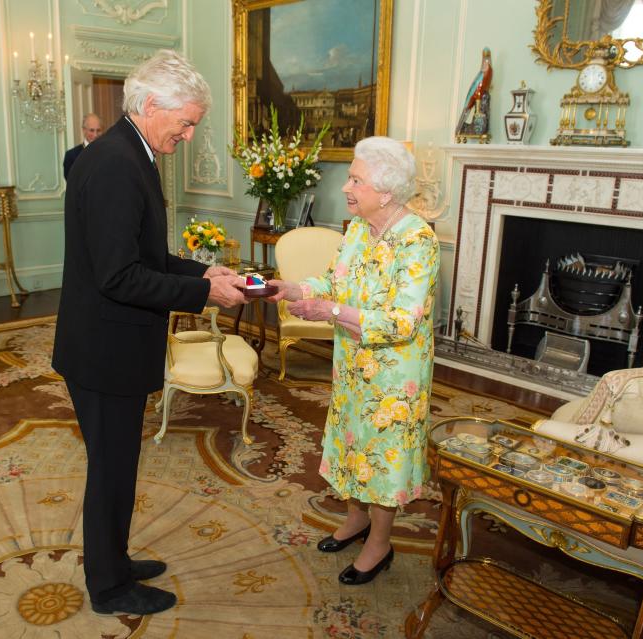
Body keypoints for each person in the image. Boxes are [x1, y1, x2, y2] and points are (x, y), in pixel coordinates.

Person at [52, 50, 245, 617]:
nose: (188, 134)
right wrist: (203, 293)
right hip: (104, 351)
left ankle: (112, 560)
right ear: (151, 105)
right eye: (185, 121)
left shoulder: (124, 152)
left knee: (116, 465)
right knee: (112, 470)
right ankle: (110, 588)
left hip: (106, 346)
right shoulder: (116, 162)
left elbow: (142, 255)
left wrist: (201, 271)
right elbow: (119, 276)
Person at [267, 136, 439, 585]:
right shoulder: (360, 227)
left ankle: (380, 543)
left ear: (386, 191)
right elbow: (333, 279)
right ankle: (356, 519)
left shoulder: (418, 240)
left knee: (383, 455)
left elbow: (403, 322)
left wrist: (333, 312)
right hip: (353, 361)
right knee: (353, 441)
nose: (346, 186)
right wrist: (295, 289)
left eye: (355, 179)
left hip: (393, 374)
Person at [63, 113, 102, 179]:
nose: (95, 135)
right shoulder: (71, 155)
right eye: (91, 130)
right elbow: (72, 184)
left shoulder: (109, 152)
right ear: (84, 130)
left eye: (98, 130)